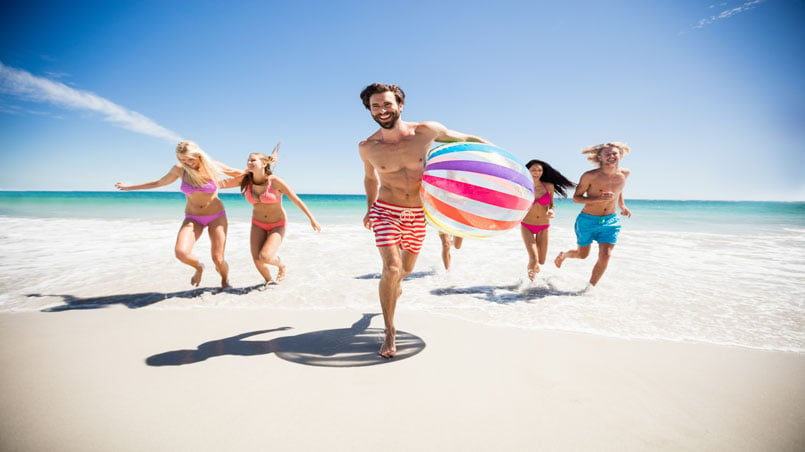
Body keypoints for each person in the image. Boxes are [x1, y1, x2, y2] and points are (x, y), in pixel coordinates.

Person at [358, 82, 491, 358]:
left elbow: (466, 138)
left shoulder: (426, 132)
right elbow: (371, 178)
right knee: (391, 269)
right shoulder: (368, 147)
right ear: (369, 110)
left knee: (405, 270)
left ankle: (396, 285)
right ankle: (390, 330)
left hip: (418, 213)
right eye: (376, 106)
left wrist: (499, 158)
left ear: (400, 105)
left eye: (387, 104)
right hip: (386, 210)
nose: (382, 110)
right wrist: (370, 208)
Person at [115, 140, 243, 288]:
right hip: (193, 217)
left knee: (218, 258)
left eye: (190, 159)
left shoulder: (213, 166)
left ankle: (225, 280)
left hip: (216, 216)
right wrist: (128, 187)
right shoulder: (180, 169)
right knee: (181, 252)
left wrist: (265, 167)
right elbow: (158, 183)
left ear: (198, 155)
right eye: (183, 160)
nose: (187, 163)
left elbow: (244, 174)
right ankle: (199, 268)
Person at [219, 148, 321, 289]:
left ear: (264, 164)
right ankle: (269, 282)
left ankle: (282, 265)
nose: (249, 162)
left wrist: (312, 219)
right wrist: (198, 182)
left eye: (253, 160)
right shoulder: (245, 180)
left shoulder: (275, 182)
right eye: (248, 160)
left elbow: (296, 199)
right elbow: (221, 184)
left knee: (265, 257)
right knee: (257, 260)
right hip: (257, 224)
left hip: (277, 224)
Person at [554, 142, 632, 288]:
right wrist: (598, 198)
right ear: (600, 157)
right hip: (588, 220)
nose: (611, 156)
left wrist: (622, 205)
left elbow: (619, 189)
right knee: (582, 255)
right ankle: (564, 255)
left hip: (611, 221)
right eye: (607, 154)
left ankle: (589, 290)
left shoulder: (624, 174)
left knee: (606, 255)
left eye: (614, 153)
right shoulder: (590, 176)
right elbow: (576, 198)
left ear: (619, 155)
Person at [520, 159, 575, 281]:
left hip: (543, 226)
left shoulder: (548, 186)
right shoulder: (523, 186)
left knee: (542, 261)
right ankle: (530, 286)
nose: (537, 172)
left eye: (539, 170)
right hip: (527, 225)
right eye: (533, 170)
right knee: (533, 258)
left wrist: (552, 211)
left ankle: (535, 266)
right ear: (527, 170)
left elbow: (551, 205)